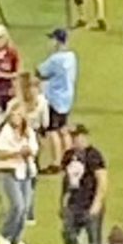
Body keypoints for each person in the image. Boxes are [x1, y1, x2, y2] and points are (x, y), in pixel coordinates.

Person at [0, 107, 39, 244]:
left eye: (19, 115)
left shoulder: (28, 132)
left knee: (25, 208)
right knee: (17, 205)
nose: (16, 118)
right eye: (14, 115)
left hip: (25, 171)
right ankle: (4, 234)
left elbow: (34, 149)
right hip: (9, 171)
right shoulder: (6, 132)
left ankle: (17, 238)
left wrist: (29, 152)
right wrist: (17, 153)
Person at [39, 29, 79, 157]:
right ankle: (68, 156)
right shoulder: (71, 57)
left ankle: (56, 161)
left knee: (52, 131)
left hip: (54, 98)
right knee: (63, 128)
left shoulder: (55, 59)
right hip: (67, 97)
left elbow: (40, 72)